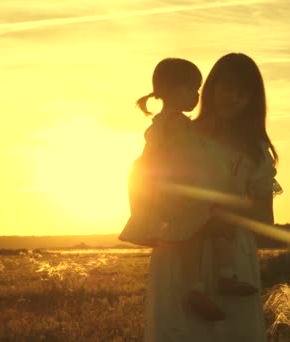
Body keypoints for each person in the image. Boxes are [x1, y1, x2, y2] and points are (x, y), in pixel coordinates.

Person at [143, 53, 278, 342]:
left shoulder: (255, 152)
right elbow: (150, 183)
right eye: (228, 88)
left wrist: (221, 216)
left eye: (245, 93)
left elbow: (265, 218)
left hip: (230, 257)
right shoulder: (178, 132)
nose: (235, 98)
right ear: (211, 88)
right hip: (180, 249)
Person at [119, 57, 257, 322]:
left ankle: (198, 288)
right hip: (182, 190)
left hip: (170, 191)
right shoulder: (178, 124)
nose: (196, 96)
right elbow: (188, 156)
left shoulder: (160, 123)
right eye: (191, 89)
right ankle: (224, 276)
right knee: (215, 224)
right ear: (172, 91)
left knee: (193, 237)